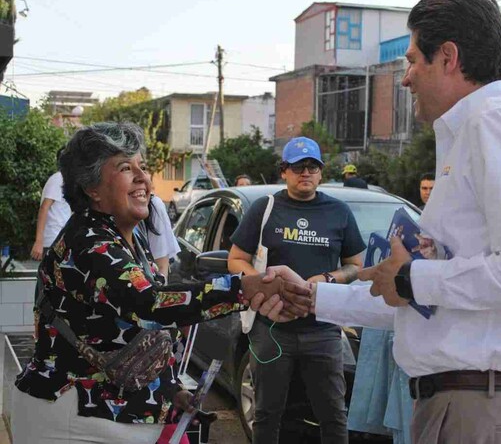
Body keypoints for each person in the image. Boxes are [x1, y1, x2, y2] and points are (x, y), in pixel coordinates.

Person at [256, 0, 501, 444]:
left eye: (412, 61)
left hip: (486, 408)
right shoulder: (469, 134)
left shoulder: (499, 123)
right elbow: (425, 303)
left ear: (448, 57)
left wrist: (414, 278)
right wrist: (313, 299)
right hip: (466, 405)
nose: (405, 78)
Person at [11, 122, 311, 444]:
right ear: (91, 188)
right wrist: (244, 288)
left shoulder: (130, 238)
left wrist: (169, 391)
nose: (143, 177)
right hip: (73, 417)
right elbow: (149, 302)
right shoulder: (88, 241)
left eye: (143, 166)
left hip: (111, 417)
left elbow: (128, 334)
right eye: (126, 168)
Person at [228, 136, 366, 444]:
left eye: (312, 167)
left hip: (323, 329)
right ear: (284, 171)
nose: (305, 172)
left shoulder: (338, 212)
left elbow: (356, 265)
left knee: (333, 414)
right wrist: (259, 282)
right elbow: (236, 259)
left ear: (320, 172)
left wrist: (328, 279)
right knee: (267, 413)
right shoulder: (266, 208)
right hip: (272, 329)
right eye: (298, 167)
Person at [30, 147, 72, 261]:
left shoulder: (65, 179)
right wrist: (39, 241)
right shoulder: (58, 178)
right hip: (53, 240)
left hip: (60, 240)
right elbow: (44, 208)